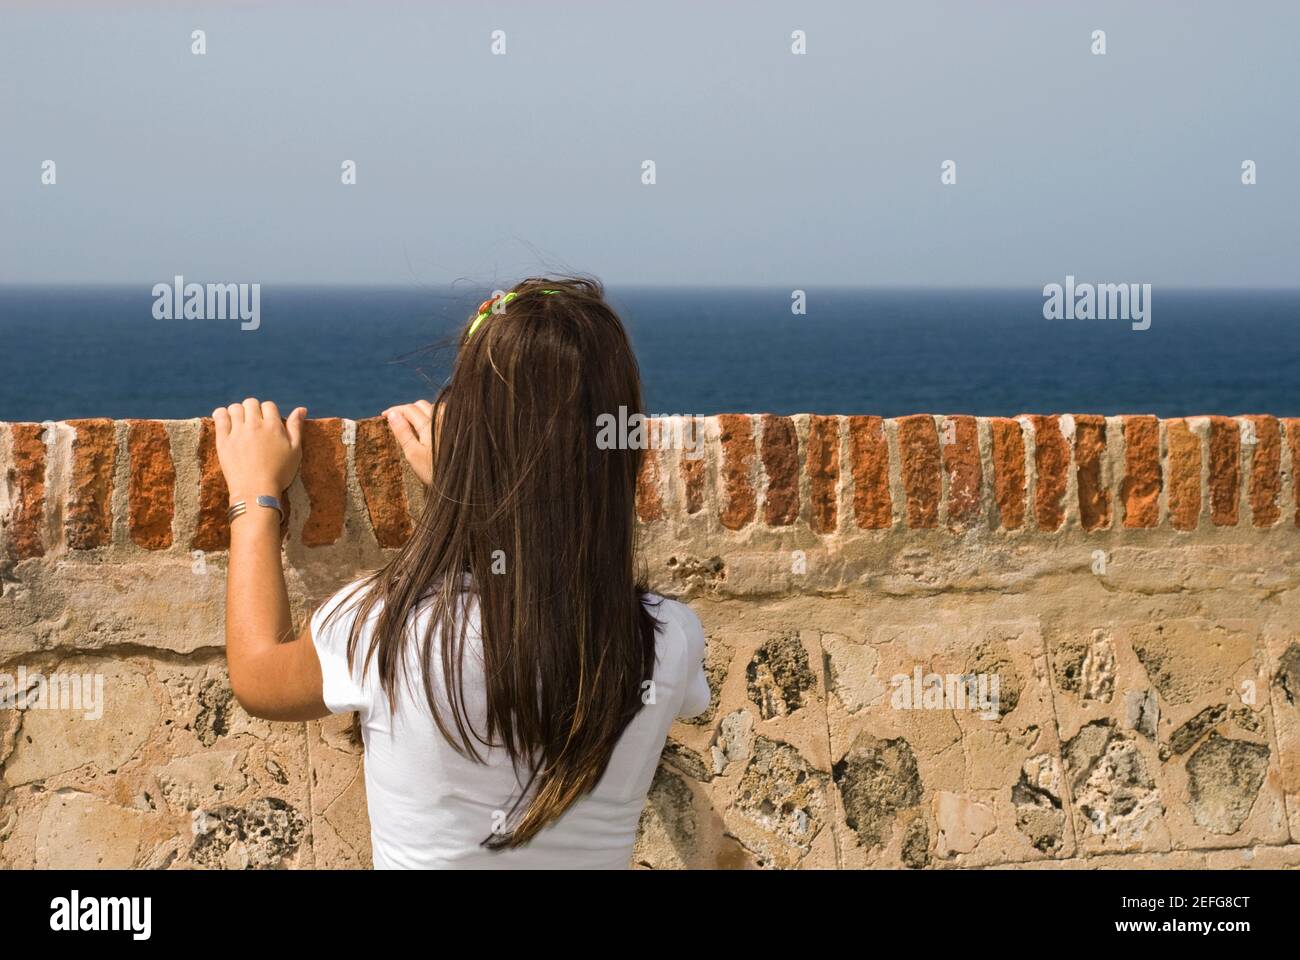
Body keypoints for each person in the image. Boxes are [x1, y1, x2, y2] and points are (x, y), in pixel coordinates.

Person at [211, 277, 710, 868]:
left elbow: (256, 674)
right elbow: (538, 585)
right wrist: (477, 499)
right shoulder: (667, 641)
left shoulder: (384, 627)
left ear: (467, 435)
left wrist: (253, 498)